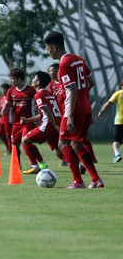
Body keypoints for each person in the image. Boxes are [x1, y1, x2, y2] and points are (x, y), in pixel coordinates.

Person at [44, 30, 103, 188]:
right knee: (77, 145)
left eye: (48, 48)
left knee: (63, 144)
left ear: (54, 47)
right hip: (85, 109)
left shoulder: (63, 64)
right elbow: (90, 81)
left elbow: (71, 89)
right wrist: (84, 98)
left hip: (73, 111)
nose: (47, 52)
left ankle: (78, 181)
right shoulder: (78, 59)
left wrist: (69, 114)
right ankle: (96, 180)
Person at [0, 68, 44, 172]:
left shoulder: (31, 90)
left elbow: (39, 102)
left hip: (29, 121)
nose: (11, 81)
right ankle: (17, 165)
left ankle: (36, 165)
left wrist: (37, 116)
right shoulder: (11, 90)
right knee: (15, 145)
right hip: (17, 122)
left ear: (19, 79)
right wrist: (2, 112)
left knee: (25, 141)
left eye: (13, 79)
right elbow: (8, 104)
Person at [20, 71, 64, 170]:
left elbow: (47, 112)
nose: (32, 80)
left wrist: (54, 125)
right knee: (57, 148)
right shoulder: (49, 93)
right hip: (56, 123)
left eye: (34, 78)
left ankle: (36, 166)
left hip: (49, 125)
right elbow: (43, 114)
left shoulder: (38, 95)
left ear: (38, 82)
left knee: (25, 140)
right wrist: (28, 120)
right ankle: (78, 165)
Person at [98, 80, 123, 163]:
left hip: (119, 121)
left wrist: (101, 112)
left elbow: (108, 103)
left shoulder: (118, 93)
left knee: (116, 140)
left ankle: (117, 154)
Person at [0, 83, 13, 155]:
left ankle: (10, 150)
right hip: (2, 120)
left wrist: (13, 119)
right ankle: (8, 148)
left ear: (8, 90)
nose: (3, 90)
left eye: (4, 89)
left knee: (8, 135)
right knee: (1, 134)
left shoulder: (11, 98)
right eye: (2, 89)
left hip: (8, 119)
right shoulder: (1, 98)